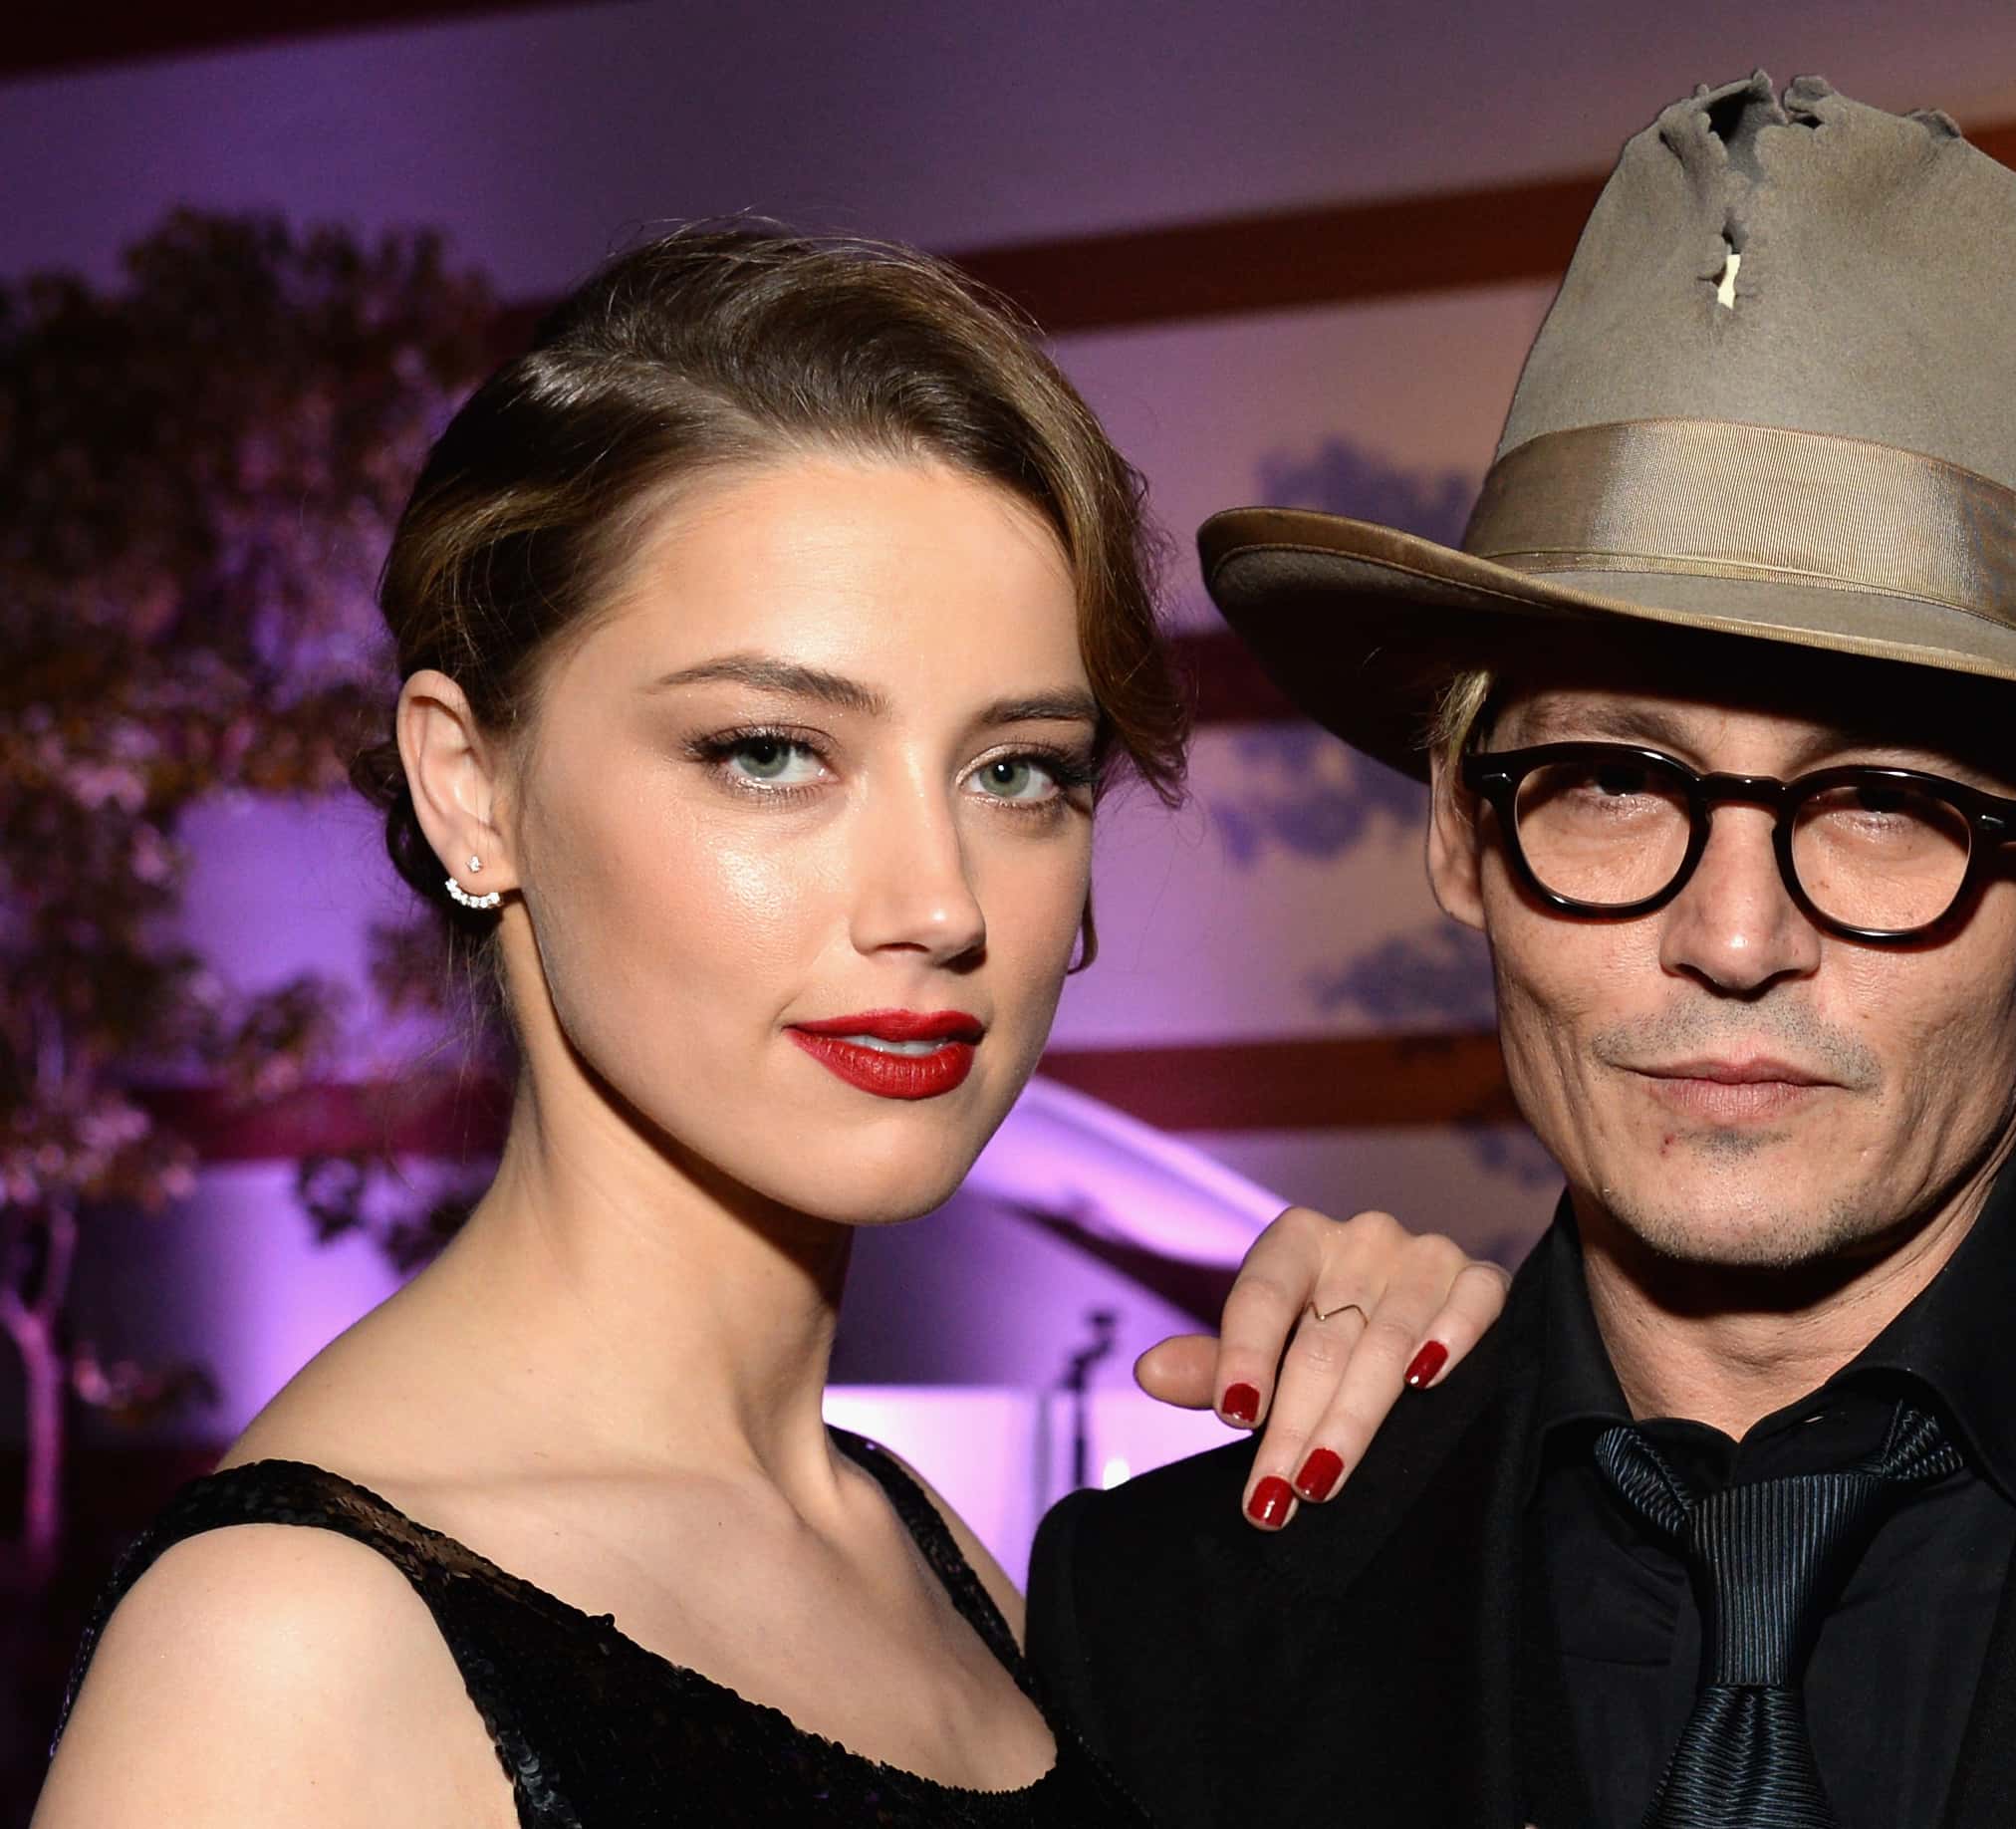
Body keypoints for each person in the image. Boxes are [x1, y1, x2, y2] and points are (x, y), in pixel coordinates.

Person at [1026, 73, 2016, 1828]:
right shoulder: (1155, 1624)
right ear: (1459, 834)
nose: (1735, 935)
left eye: (1886, 800)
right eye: (1616, 781)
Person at [35, 228, 1511, 1829]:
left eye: (1017, 771)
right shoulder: (282, 1655)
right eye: (767, 753)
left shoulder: (923, 1550)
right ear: (471, 785)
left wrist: (1461, 1492)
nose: (939, 903)